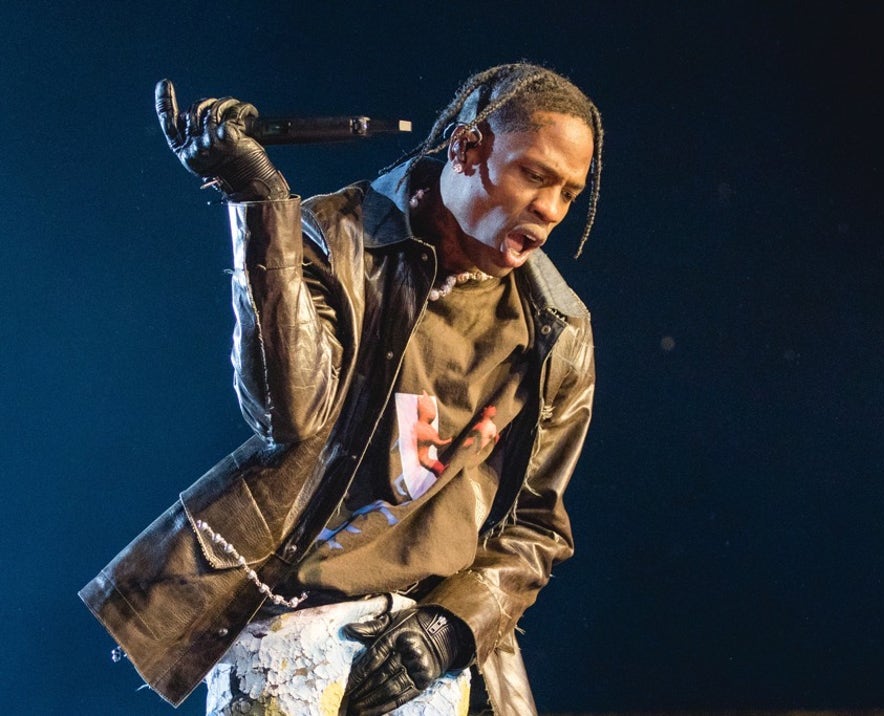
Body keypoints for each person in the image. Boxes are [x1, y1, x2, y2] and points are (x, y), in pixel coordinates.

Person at [80, 62, 603, 716]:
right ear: (467, 149)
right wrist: (258, 199)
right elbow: (289, 414)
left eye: (569, 193)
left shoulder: (557, 329)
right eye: (535, 175)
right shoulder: (332, 239)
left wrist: (449, 628)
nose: (551, 210)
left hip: (427, 652)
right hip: (292, 634)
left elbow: (536, 525)